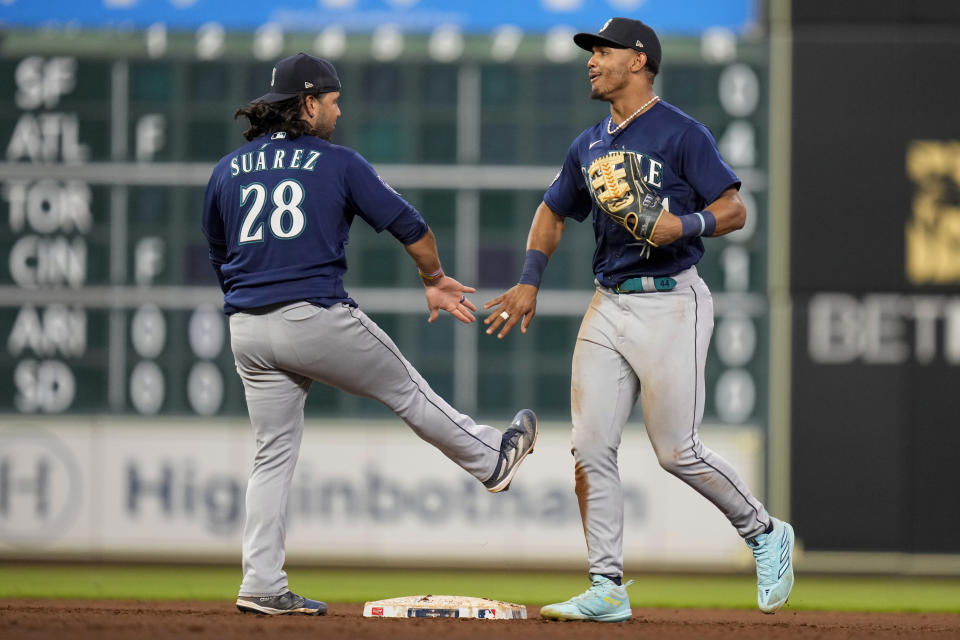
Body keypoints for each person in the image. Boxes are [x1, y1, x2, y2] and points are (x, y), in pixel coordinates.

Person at [201, 52, 538, 617]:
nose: (338, 110)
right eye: (331, 101)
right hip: (315, 317)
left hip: (247, 329)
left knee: (271, 455)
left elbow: (218, 251)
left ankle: (261, 583)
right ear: (307, 104)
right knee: (406, 391)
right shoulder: (338, 163)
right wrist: (433, 279)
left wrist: (248, 302)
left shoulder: (226, 168)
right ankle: (489, 459)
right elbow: (413, 227)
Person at [482, 18, 794, 622]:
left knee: (676, 451)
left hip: (673, 299)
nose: (592, 61)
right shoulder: (588, 145)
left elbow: (734, 209)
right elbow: (551, 212)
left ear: (639, 60)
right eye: (591, 52)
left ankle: (763, 531)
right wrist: (528, 279)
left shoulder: (682, 133)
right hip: (610, 301)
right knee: (590, 444)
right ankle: (606, 586)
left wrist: (686, 224)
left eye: (603, 51)